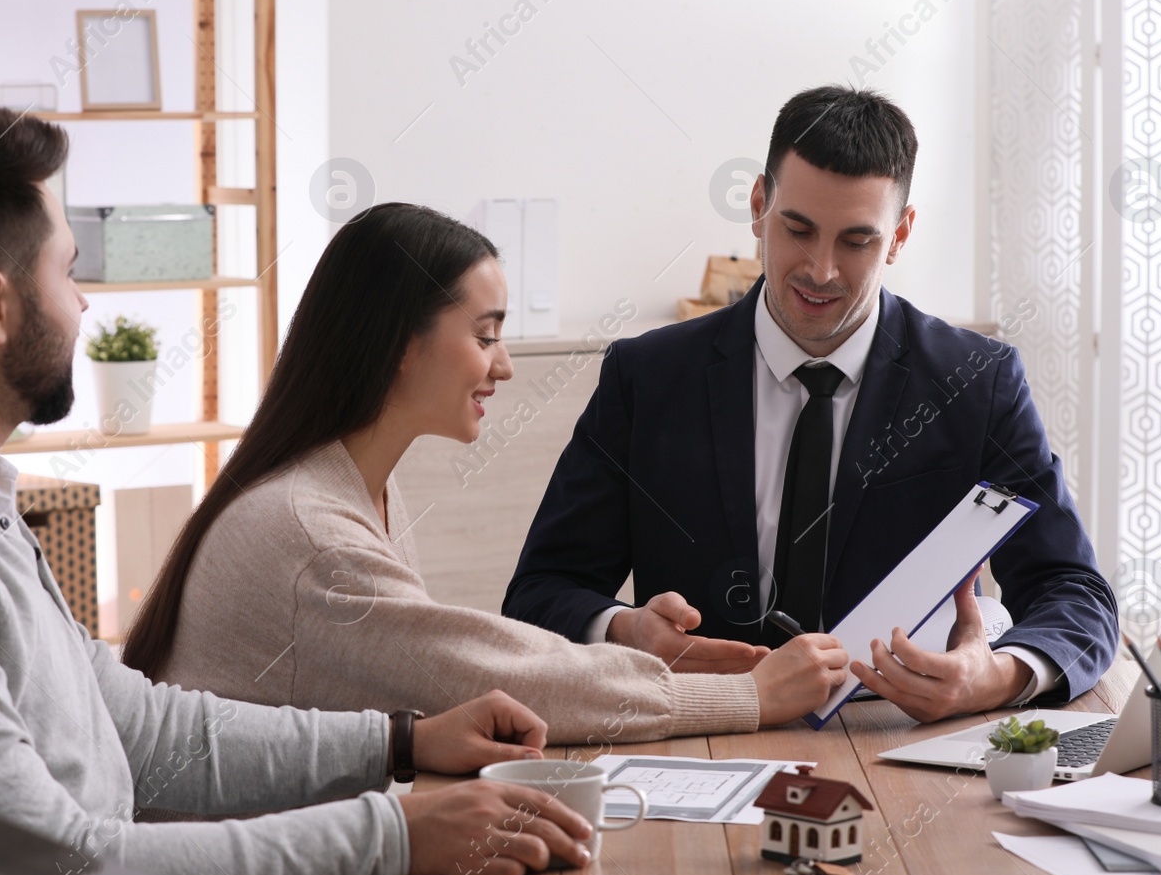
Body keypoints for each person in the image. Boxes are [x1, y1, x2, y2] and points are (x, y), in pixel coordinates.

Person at [0, 107, 600, 875]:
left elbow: (142, 725)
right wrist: (397, 833)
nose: (85, 307)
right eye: (69, 271)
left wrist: (400, 742)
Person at [503, 85, 1119, 723]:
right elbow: (537, 595)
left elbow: (1075, 592)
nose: (820, 270)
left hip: (900, 740)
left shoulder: (977, 381)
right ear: (757, 206)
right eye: (797, 230)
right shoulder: (647, 378)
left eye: (856, 241)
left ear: (900, 235)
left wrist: (996, 676)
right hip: (704, 733)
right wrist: (623, 630)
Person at [122, 203, 849, 742]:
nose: (502, 364)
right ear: (398, 344)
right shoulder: (312, 533)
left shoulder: (354, 486)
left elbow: (463, 664)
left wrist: (629, 635)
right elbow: (492, 674)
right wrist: (749, 696)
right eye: (484, 335)